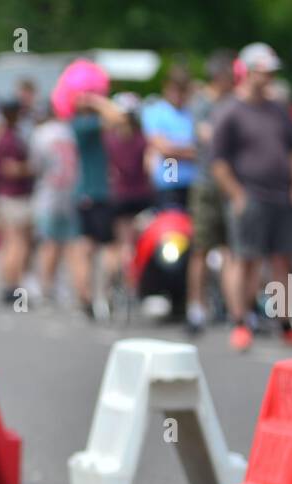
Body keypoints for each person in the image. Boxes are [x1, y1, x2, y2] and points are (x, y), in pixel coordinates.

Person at [211, 42, 292, 351]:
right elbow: (219, 161)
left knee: (284, 260)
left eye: (270, 72)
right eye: (262, 71)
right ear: (248, 72)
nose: (267, 78)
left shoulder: (278, 109)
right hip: (250, 195)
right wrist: (237, 195)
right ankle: (241, 322)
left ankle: (285, 324)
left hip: (281, 195)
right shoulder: (230, 111)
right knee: (246, 260)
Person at [186, 49, 238, 331]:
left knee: (232, 250)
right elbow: (208, 137)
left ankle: (236, 311)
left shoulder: (232, 103)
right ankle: (196, 308)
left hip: (230, 185)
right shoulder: (202, 102)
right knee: (201, 249)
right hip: (207, 184)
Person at [70, 87, 127, 318]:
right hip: (98, 195)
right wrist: (96, 100)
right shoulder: (86, 124)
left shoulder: (78, 124)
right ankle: (105, 294)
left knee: (86, 247)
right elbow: (118, 116)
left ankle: (87, 298)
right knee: (109, 247)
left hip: (85, 196)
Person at [28, 100, 80, 305]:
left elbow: (36, 167)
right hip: (71, 193)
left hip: (49, 195)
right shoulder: (70, 131)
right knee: (70, 245)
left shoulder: (40, 134)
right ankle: (75, 289)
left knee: (49, 243)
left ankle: (47, 286)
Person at [104, 95, 153, 296]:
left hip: (118, 196)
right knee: (135, 242)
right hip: (141, 195)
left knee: (118, 245)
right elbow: (149, 168)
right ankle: (134, 282)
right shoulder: (143, 140)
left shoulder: (109, 140)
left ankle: (112, 287)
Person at [0, 99, 35, 303]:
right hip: (15, 196)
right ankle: (15, 287)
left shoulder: (2, 137)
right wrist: (32, 168)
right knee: (19, 243)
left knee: (8, 242)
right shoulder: (10, 139)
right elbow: (11, 169)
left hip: (5, 196)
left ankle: (8, 285)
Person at [142, 66, 197, 210]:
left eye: (182, 90)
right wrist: (189, 150)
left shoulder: (192, 113)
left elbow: (201, 149)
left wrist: (176, 147)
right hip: (169, 182)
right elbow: (165, 149)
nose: (178, 95)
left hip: (192, 183)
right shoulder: (155, 111)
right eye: (175, 89)